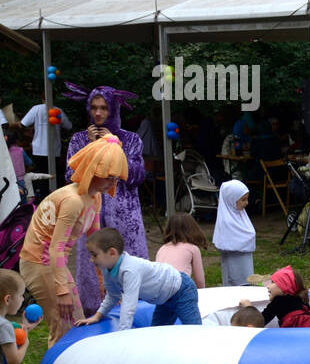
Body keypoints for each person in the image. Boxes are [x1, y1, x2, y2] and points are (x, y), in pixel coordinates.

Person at [19, 135, 127, 349]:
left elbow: (97, 244)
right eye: (108, 177)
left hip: (53, 262)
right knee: (63, 326)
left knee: (76, 320)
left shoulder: (95, 197)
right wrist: (62, 291)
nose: (113, 183)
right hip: (38, 262)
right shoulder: (73, 201)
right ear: (93, 170)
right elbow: (56, 248)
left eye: (116, 178)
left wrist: (106, 282)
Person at [63, 84, 148, 314]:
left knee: (129, 266)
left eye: (103, 108)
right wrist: (93, 147)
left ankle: (136, 313)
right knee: (93, 268)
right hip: (91, 216)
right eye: (93, 108)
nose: (98, 113)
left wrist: (114, 145)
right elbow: (71, 176)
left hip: (125, 218)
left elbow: (137, 176)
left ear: (113, 110)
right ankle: (94, 315)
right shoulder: (79, 140)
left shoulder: (131, 140)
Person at [76, 227, 202, 330]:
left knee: (194, 331)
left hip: (181, 291)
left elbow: (129, 305)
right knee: (157, 333)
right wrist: (98, 316)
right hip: (164, 299)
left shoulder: (130, 270)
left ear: (112, 252)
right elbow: (113, 296)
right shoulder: (107, 269)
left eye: (94, 255)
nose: (91, 260)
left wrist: (121, 334)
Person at [242, 265, 310, 328]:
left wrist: (248, 306)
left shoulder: (279, 301)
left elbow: (258, 323)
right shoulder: (301, 299)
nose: (268, 286)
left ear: (284, 286)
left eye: (272, 282)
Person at [213, 180, 256, 287]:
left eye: (247, 199)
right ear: (231, 199)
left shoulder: (242, 215)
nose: (247, 203)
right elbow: (226, 244)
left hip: (245, 262)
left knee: (247, 283)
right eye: (243, 200)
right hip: (233, 263)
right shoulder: (226, 221)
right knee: (235, 286)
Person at [155, 212, 207, 288]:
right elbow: (199, 280)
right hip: (178, 289)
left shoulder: (161, 249)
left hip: (159, 290)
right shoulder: (193, 249)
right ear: (192, 228)